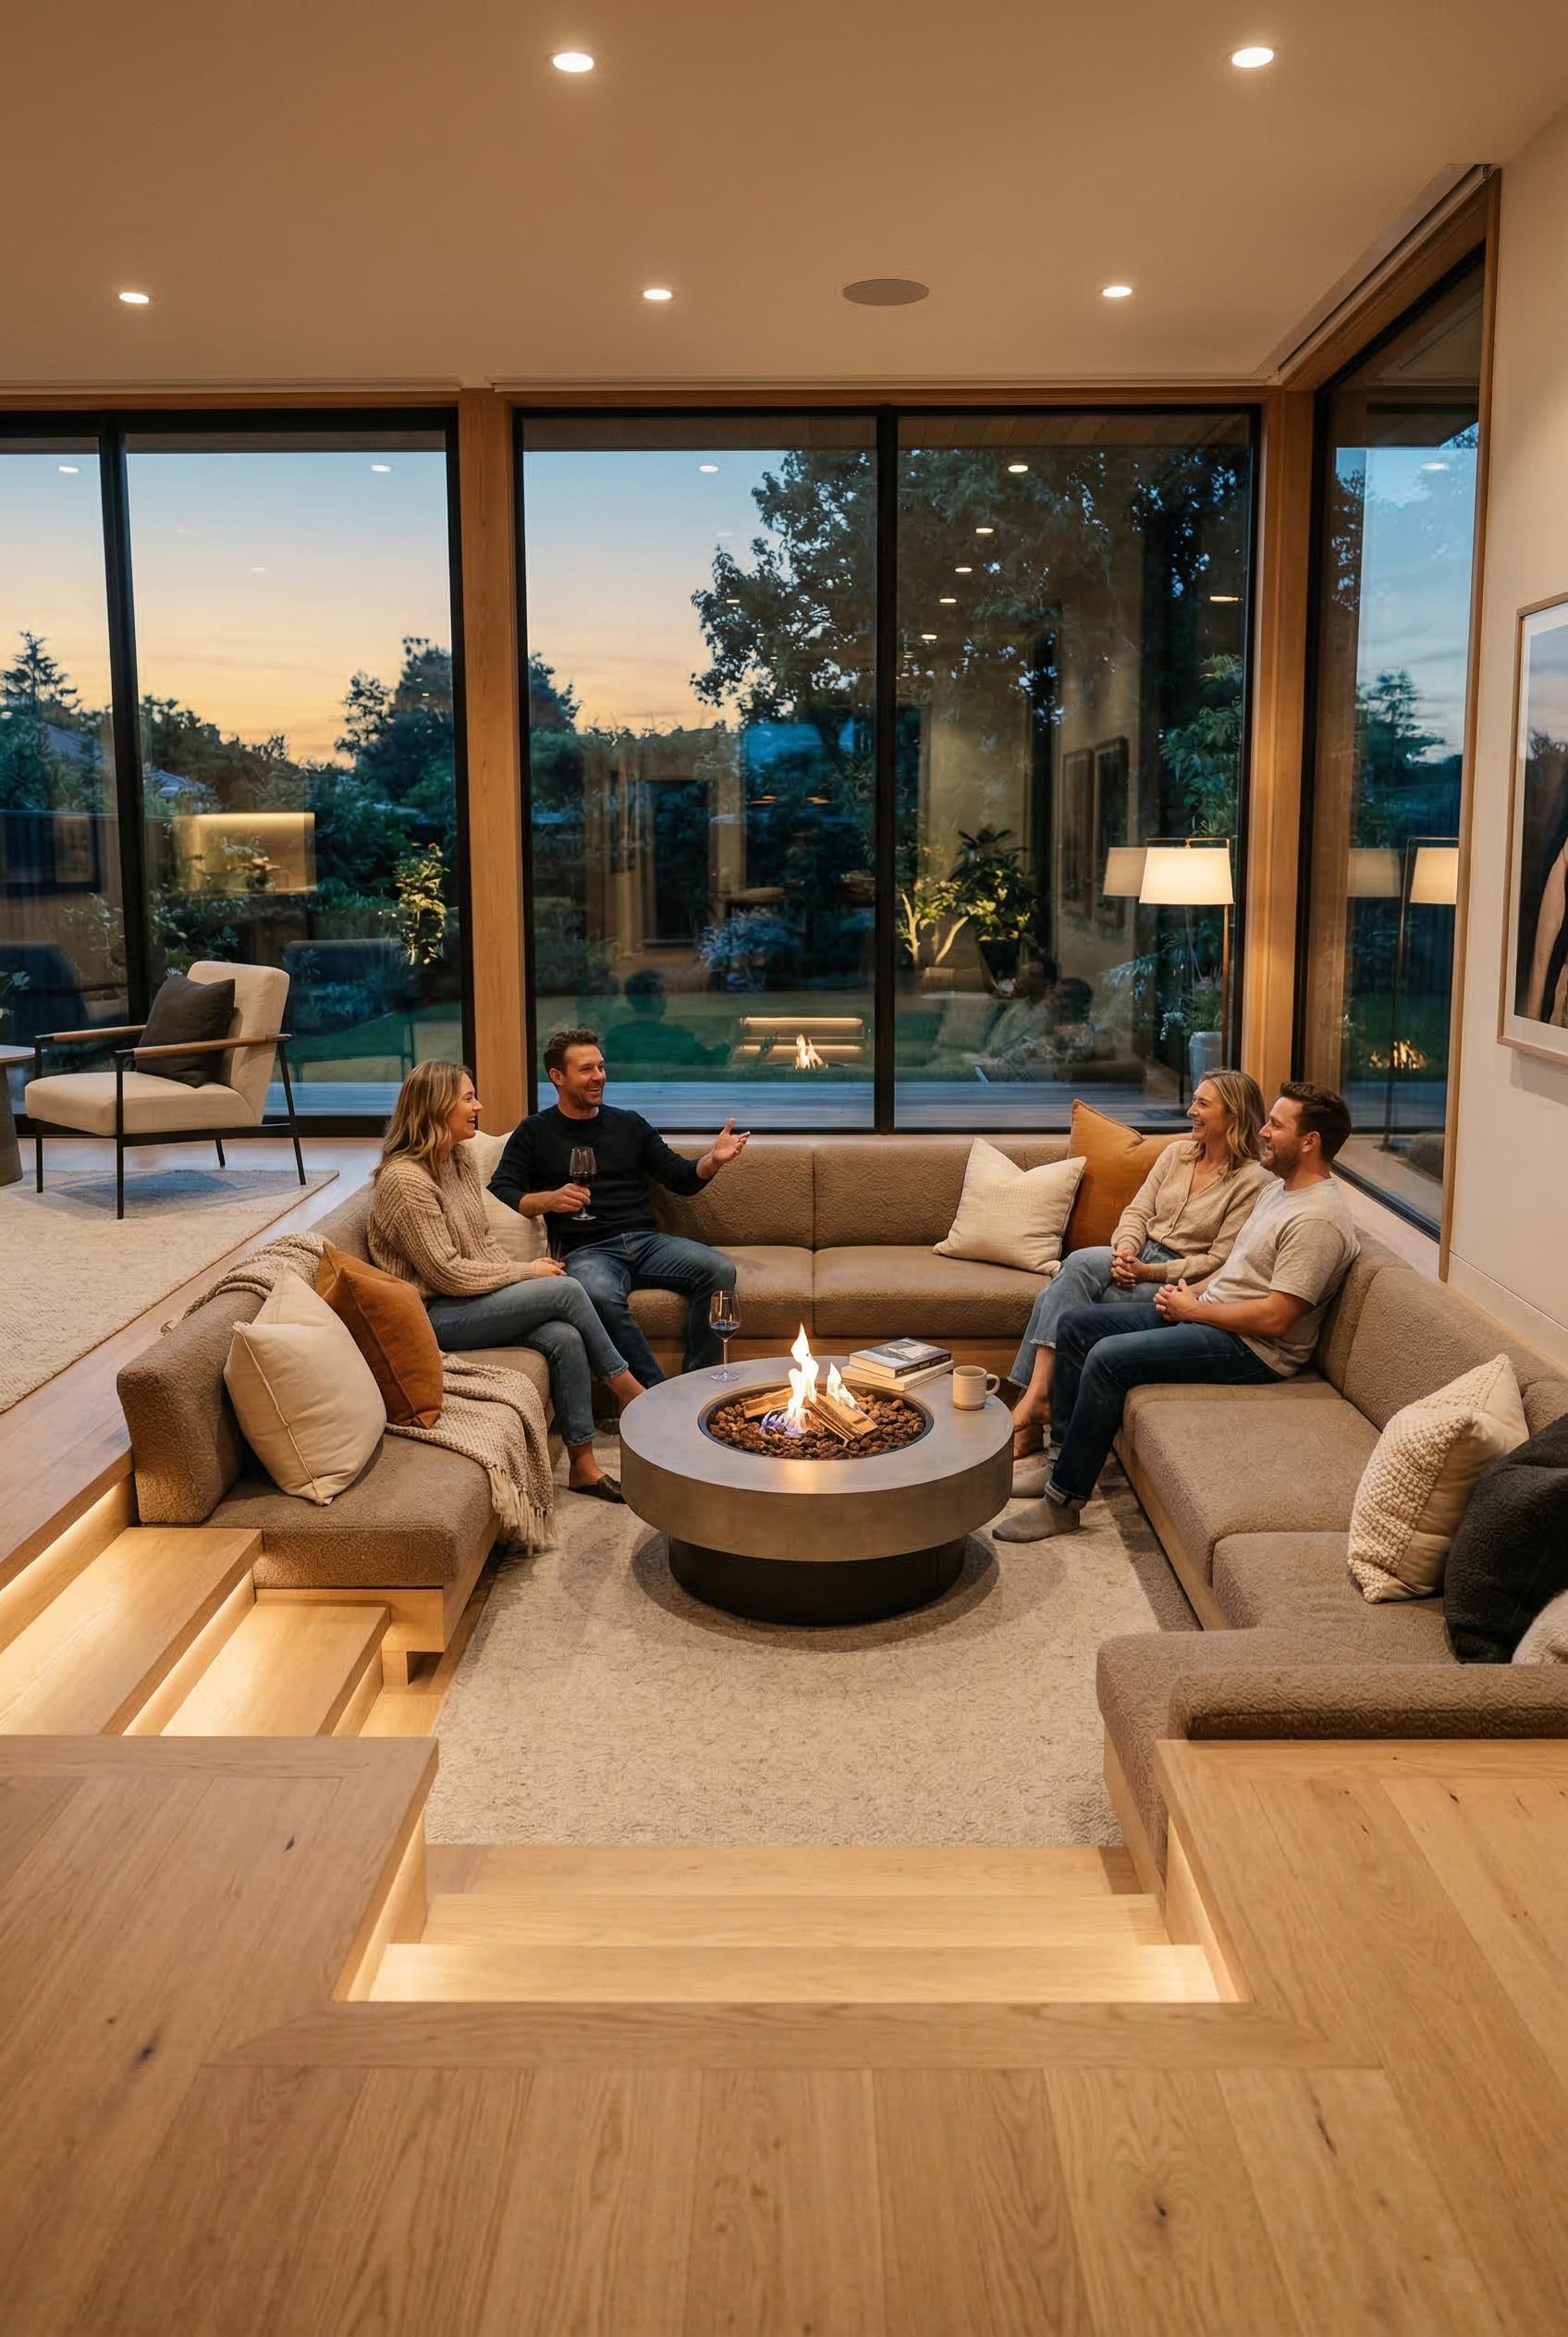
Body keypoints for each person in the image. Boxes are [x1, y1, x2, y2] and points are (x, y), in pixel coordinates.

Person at [994, 1082, 1358, 1543]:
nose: (1264, 1132)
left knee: (1106, 1359)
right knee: (1074, 1326)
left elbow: (1276, 1319)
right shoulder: (1282, 1193)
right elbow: (1233, 1269)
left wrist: (1194, 1311)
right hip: (1213, 1312)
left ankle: (1063, 1503)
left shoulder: (1317, 1220)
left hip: (1254, 1349)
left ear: (1310, 1142)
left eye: (1276, 1125)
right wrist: (1189, 1295)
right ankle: (1058, 1459)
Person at [368, 1060, 643, 1502]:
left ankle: (583, 1466)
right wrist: (525, 1272)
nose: (479, 1106)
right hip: (430, 1315)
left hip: (465, 1299)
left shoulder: (456, 1158)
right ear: (437, 1108)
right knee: (567, 1290)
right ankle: (630, 1391)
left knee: (565, 1335)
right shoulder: (406, 1180)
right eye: (468, 1098)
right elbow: (446, 1272)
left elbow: (480, 1242)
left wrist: (519, 1281)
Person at [1009, 1070, 1270, 1475]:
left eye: (1202, 1104)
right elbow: (1137, 1211)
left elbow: (1219, 1260)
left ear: (1232, 1115)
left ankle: (1033, 1405)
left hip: (1180, 1281)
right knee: (1076, 1265)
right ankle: (1039, 1399)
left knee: (1054, 1298)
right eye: (1194, 1100)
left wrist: (1151, 1272)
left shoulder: (1252, 1181)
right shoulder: (1177, 1154)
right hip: (1136, 1255)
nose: (1191, 1110)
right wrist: (1126, 1250)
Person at [489, 1027, 749, 1385]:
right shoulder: (535, 1131)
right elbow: (501, 1188)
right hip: (587, 1250)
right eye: (586, 1069)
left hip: (647, 1242)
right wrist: (547, 1200)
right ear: (557, 1077)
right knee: (596, 1294)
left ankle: (698, 1383)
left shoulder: (629, 1123)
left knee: (718, 1269)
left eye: (600, 1067)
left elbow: (681, 1178)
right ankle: (655, 1394)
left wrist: (713, 1160)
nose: (598, 1076)